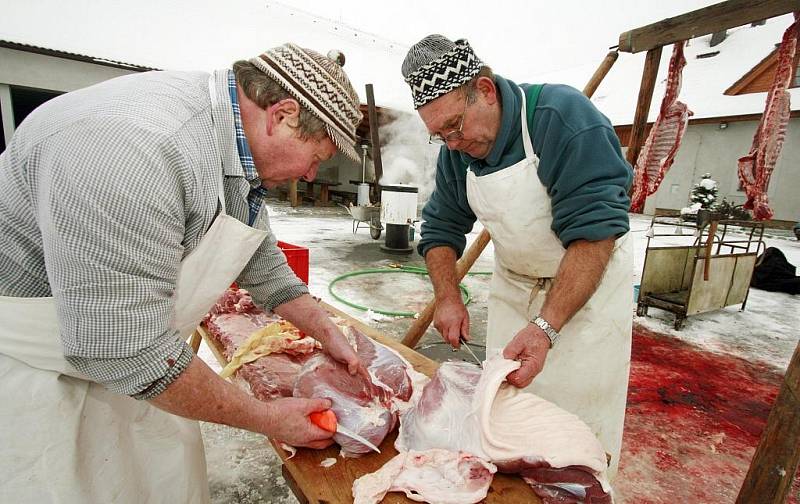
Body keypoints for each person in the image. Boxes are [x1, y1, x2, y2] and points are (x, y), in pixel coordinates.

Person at [0, 43, 365, 502]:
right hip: (40, 373)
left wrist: (321, 325)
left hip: (144, 368)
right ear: (283, 115)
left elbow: (258, 255)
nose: (312, 176)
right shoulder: (134, 150)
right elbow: (122, 348)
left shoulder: (228, 144)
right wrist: (268, 418)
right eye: (318, 156)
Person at [401, 35, 633, 477]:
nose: (451, 143)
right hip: (516, 284)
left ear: (485, 91)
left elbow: (595, 234)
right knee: (501, 420)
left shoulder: (561, 118)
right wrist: (448, 296)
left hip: (588, 287)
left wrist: (546, 326)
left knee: (578, 434)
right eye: (439, 135)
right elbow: (440, 230)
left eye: (455, 126)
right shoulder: (459, 153)